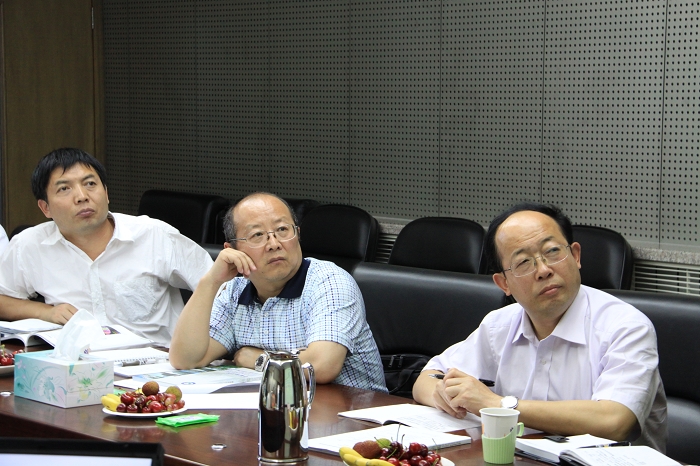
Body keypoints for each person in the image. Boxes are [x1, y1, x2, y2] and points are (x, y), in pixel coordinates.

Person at [413, 203, 667, 451]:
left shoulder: (625, 327)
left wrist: (499, 405)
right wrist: (445, 393)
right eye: (523, 262)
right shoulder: (498, 325)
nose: (544, 270)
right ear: (504, 283)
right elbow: (427, 378)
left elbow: (615, 421)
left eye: (553, 251)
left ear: (576, 256)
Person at [170, 192, 387, 392]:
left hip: (350, 412)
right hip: (276, 406)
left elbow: (321, 366)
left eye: (283, 230)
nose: (274, 244)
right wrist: (210, 282)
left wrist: (259, 360)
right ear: (233, 250)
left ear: (297, 234)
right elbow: (186, 359)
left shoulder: (330, 282)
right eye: (257, 235)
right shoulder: (235, 291)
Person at [0, 148, 213, 346]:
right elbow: (3, 299)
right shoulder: (29, 245)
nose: (82, 196)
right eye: (64, 188)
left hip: (158, 363)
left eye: (90, 184)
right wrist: (45, 312)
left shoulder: (154, 235)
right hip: (79, 363)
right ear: (45, 207)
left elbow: (222, 289)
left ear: (107, 194)